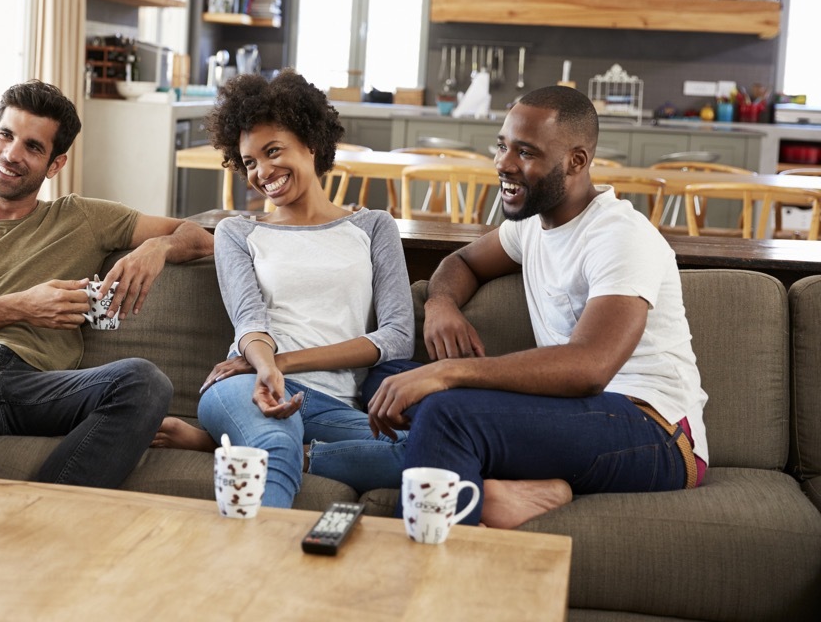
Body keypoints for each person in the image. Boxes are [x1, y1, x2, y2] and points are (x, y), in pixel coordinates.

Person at [367, 85, 709, 529]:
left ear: (576, 161)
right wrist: (441, 304)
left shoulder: (619, 235)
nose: (504, 164)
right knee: (386, 377)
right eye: (502, 146)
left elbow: (589, 368)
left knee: (444, 412)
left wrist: (447, 373)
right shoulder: (532, 226)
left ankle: (415, 577)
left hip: (656, 431)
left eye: (525, 152)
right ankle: (532, 485)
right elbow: (462, 262)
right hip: (575, 416)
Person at [0, 80, 214, 489]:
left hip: (39, 387)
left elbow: (201, 236)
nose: (12, 154)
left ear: (55, 164)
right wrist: (19, 306)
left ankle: (43, 512)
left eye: (34, 147)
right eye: (6, 135)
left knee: (144, 382)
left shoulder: (82, 218)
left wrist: (157, 247)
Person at [157, 70, 415, 508]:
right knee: (274, 446)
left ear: (310, 143)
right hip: (247, 383)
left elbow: (397, 336)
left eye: (273, 151)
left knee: (429, 450)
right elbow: (249, 322)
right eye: (250, 162)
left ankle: (218, 444)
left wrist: (284, 364)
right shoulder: (237, 233)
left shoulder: (373, 226)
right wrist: (264, 368)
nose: (262, 172)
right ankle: (259, 574)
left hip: (331, 402)